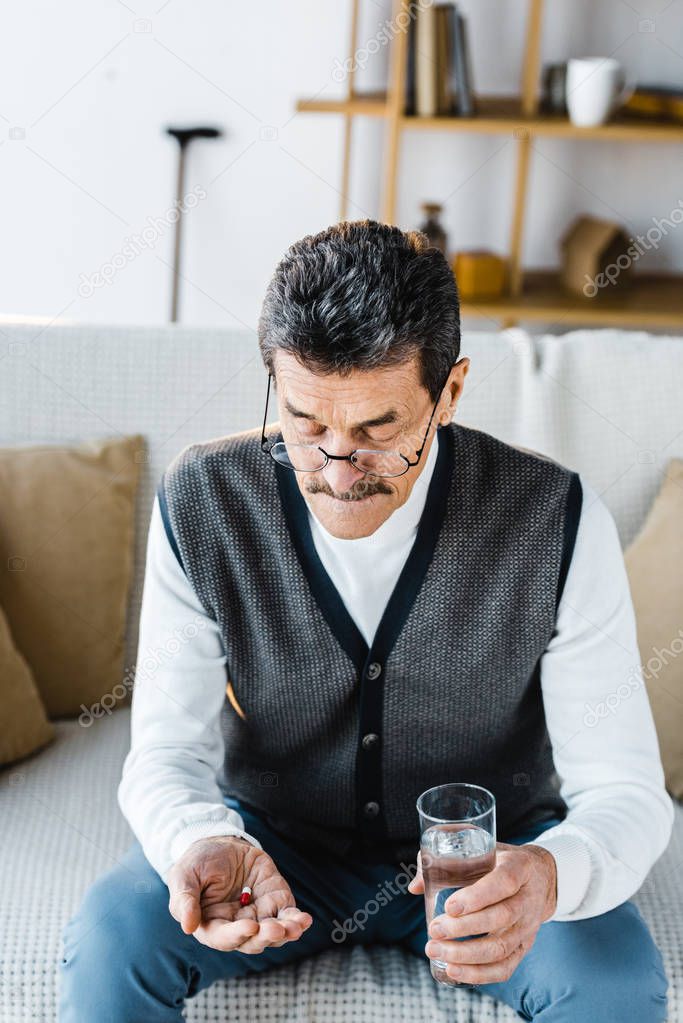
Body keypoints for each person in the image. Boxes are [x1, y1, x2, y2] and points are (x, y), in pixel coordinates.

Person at [59, 220, 673, 1022]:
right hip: (270, 847)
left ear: (447, 392)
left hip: (489, 859)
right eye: (307, 426)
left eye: (377, 430)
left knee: (619, 991)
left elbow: (625, 788)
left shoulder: (554, 518)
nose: (336, 472)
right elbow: (167, 751)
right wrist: (195, 839)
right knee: (110, 942)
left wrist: (555, 872)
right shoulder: (202, 502)